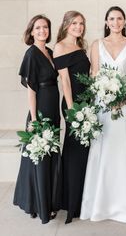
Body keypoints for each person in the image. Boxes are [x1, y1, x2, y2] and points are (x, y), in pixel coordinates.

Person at [80, 6, 126, 223]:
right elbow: (94, 75)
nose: (116, 22)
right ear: (106, 21)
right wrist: (106, 96)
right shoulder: (96, 45)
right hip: (103, 105)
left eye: (119, 18)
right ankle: (100, 204)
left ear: (125, 21)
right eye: (112, 19)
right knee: (105, 146)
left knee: (125, 147)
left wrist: (123, 97)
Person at [13, 15, 61, 224]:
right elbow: (31, 89)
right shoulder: (31, 53)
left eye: (45, 27)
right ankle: (41, 206)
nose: (42, 31)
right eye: (38, 28)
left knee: (50, 155)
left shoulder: (49, 52)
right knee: (40, 157)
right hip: (40, 111)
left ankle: (49, 199)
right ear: (31, 31)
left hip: (53, 110)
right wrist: (34, 119)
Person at [53, 10, 90, 224]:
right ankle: (70, 201)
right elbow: (65, 81)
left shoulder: (80, 47)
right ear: (66, 25)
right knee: (74, 150)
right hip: (73, 105)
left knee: (83, 151)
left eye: (81, 23)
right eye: (74, 23)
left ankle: (81, 197)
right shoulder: (60, 46)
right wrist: (72, 109)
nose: (78, 27)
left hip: (86, 103)